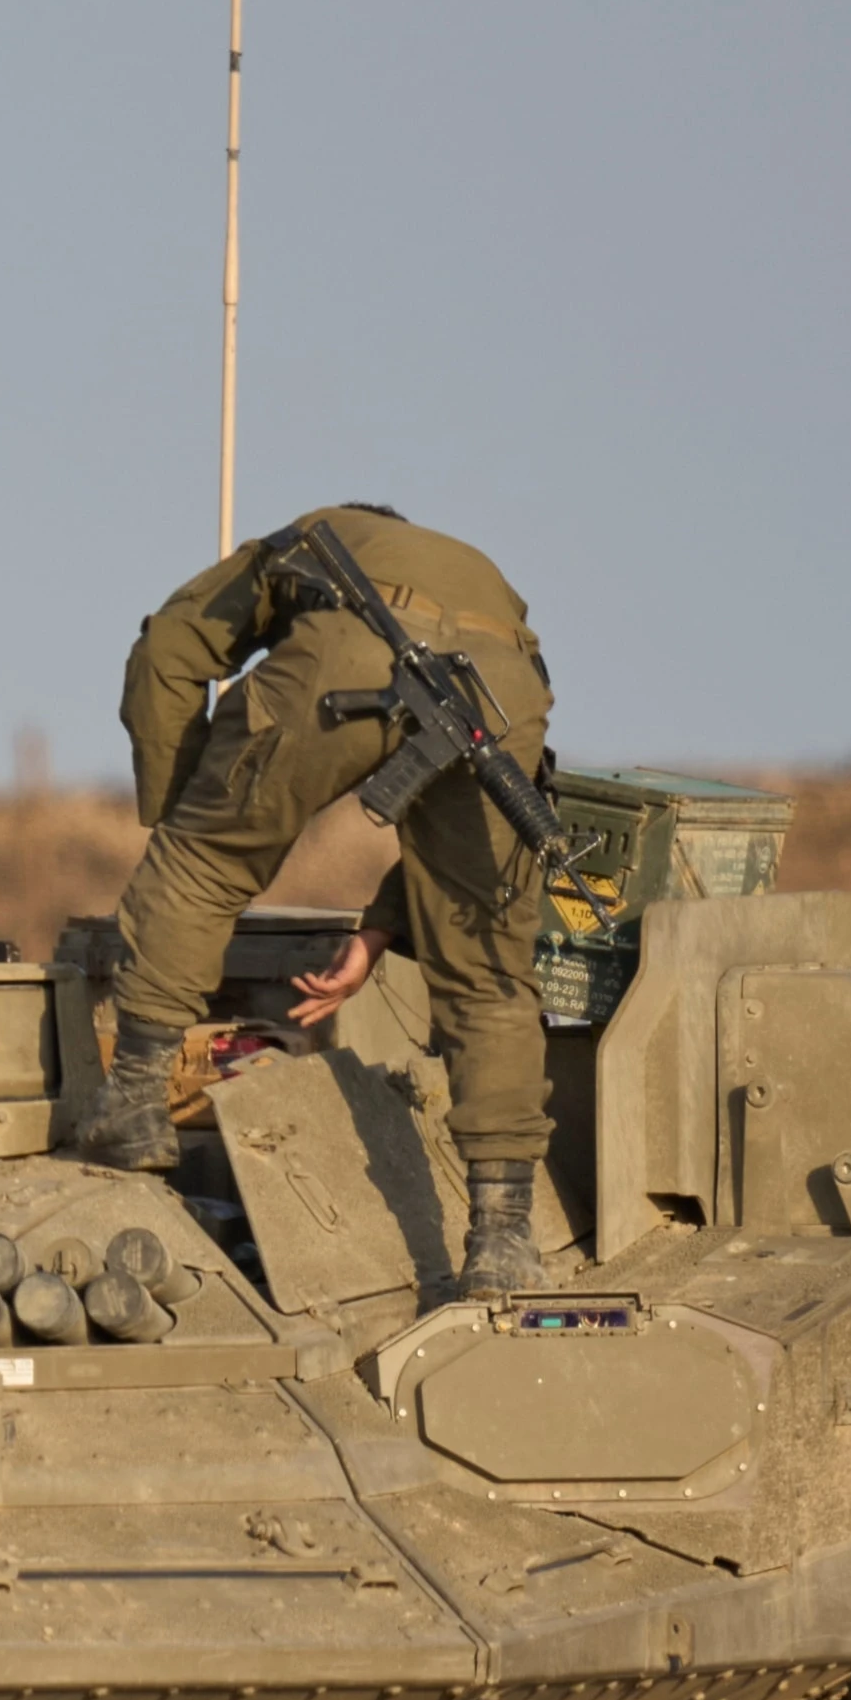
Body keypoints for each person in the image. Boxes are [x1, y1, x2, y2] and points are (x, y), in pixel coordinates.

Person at [75, 503, 555, 1295]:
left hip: (349, 661)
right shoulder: (485, 579)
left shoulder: (307, 541)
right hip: (500, 692)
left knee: (201, 865)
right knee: (488, 965)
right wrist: (386, 925)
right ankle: (502, 1238)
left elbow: (168, 650)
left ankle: (132, 1105)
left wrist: (183, 816)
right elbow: (468, 881)